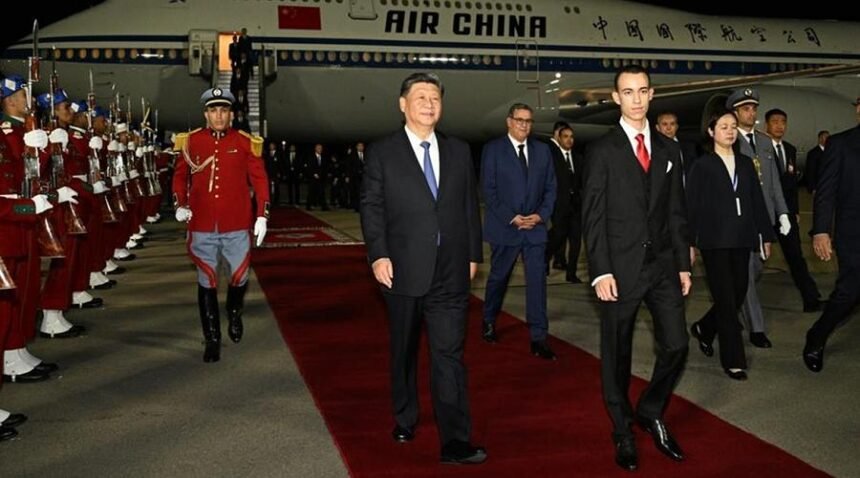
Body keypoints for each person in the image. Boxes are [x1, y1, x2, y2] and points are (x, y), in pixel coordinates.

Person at [359, 72, 486, 465]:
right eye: (420, 97)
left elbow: (468, 206)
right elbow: (372, 206)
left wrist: (472, 255)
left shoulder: (459, 150)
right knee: (405, 349)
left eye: (435, 97)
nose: (429, 104)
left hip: (450, 271)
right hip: (401, 270)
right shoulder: (382, 152)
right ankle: (405, 415)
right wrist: (378, 254)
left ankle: (455, 440)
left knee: (449, 354)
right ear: (403, 105)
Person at [582, 65, 691, 471]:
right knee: (617, 355)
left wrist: (682, 264)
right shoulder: (602, 151)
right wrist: (600, 271)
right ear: (616, 98)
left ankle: (650, 408)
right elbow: (592, 217)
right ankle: (622, 428)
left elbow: (676, 212)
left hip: (662, 266)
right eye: (628, 92)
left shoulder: (669, 150)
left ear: (651, 94)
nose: (637, 99)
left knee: (678, 345)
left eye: (643, 91)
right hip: (620, 269)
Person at [172, 87, 270, 363]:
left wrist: (262, 214)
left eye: (224, 110)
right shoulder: (190, 142)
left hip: (236, 223)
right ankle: (212, 338)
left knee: (239, 277)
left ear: (231, 114)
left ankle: (235, 311)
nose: (219, 115)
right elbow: (180, 177)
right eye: (213, 110)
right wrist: (180, 204)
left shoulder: (244, 142)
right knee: (207, 279)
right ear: (206, 114)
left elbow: (260, 180)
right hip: (202, 222)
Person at [687, 109, 775, 381]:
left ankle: (704, 327)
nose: (729, 130)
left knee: (737, 292)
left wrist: (765, 235)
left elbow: (757, 202)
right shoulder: (702, 166)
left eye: (733, 126)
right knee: (726, 300)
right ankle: (734, 360)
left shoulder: (746, 164)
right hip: (714, 242)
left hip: (742, 238)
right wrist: (689, 242)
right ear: (711, 132)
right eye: (723, 126)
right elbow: (692, 207)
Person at [481, 103, 558, 359]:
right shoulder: (493, 150)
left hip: (534, 230)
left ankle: (538, 338)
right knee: (499, 278)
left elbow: (551, 188)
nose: (524, 124)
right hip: (506, 228)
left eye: (528, 120)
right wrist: (512, 217)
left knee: (537, 284)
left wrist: (541, 215)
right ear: (509, 122)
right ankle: (489, 319)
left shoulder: (543, 151)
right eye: (519, 120)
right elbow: (489, 191)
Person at [729, 87, 791, 348]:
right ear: (734, 112)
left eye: (753, 108)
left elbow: (774, 182)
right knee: (746, 274)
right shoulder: (729, 141)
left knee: (753, 272)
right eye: (745, 108)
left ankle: (712, 322)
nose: (751, 112)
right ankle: (757, 328)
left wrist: (783, 212)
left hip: (764, 219)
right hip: (741, 220)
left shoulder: (765, 142)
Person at [803, 96, 860, 373]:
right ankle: (817, 336)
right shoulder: (841, 144)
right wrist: (822, 230)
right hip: (853, 233)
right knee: (849, 293)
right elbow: (825, 192)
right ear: (859, 109)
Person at [765, 108, 824, 312]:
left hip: (787, 215)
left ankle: (811, 299)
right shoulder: (761, 150)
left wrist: (795, 211)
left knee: (796, 257)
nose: (779, 125)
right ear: (767, 125)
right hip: (766, 214)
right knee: (752, 262)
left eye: (783, 121)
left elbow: (791, 185)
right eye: (775, 121)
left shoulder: (789, 149)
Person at [545, 122, 584, 283]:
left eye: (571, 137)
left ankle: (571, 273)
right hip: (559, 205)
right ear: (558, 138)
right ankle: (544, 259)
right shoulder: (553, 158)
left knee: (576, 240)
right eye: (566, 137)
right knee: (558, 236)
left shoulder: (578, 158)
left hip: (575, 207)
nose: (569, 140)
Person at [655, 111, 699, 186]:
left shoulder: (689, 148)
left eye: (672, 124)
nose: (668, 128)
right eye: (664, 124)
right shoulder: (652, 149)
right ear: (658, 127)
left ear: (676, 127)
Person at [804, 130, 829, 194]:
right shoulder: (813, 153)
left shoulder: (830, 151)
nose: (828, 139)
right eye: (826, 137)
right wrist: (813, 188)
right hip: (818, 186)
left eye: (828, 137)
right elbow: (810, 171)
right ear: (820, 139)